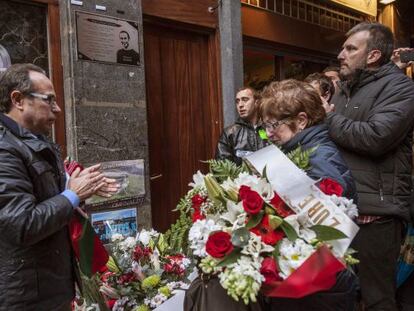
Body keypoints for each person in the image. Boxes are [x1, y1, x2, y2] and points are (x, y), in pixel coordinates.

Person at [0, 63, 118, 310]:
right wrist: (72, 194)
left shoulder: (39, 143)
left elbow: (52, 200)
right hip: (26, 296)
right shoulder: (5, 151)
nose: (58, 109)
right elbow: (21, 224)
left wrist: (81, 189)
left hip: (50, 286)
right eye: (49, 100)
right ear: (18, 99)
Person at [324, 22, 414, 311]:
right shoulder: (344, 91)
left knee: (377, 300)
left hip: (376, 216)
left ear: (373, 55)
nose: (341, 54)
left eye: (351, 48)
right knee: (339, 296)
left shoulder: (400, 87)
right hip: (338, 211)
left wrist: (327, 118)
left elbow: (376, 137)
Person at [259, 79, 358, 311]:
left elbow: (327, 230)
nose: (269, 134)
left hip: (320, 289)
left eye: (274, 125)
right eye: (265, 127)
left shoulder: (320, 159)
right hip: (311, 284)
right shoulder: (299, 152)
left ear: (301, 120)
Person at [215, 87, 268, 165]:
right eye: (237, 101)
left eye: (245, 100)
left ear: (256, 102)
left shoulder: (269, 129)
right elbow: (221, 167)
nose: (240, 105)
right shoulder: (229, 133)